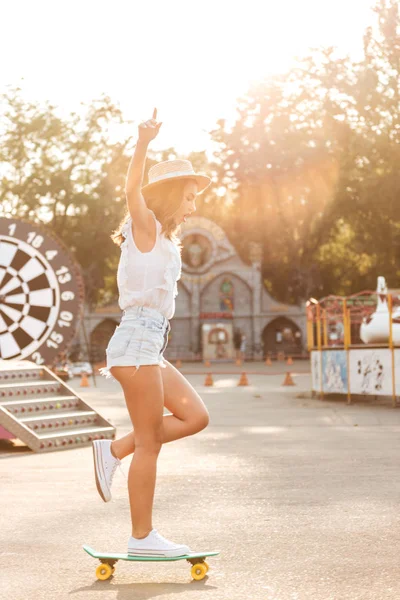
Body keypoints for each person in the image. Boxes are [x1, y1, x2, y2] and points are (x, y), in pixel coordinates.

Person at [93, 109, 212, 557]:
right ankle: (141, 539)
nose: (193, 205)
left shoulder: (165, 242)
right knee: (151, 444)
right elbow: (130, 191)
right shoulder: (144, 228)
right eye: (187, 196)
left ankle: (112, 450)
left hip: (149, 347)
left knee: (194, 417)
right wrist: (143, 143)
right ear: (168, 196)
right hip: (136, 344)